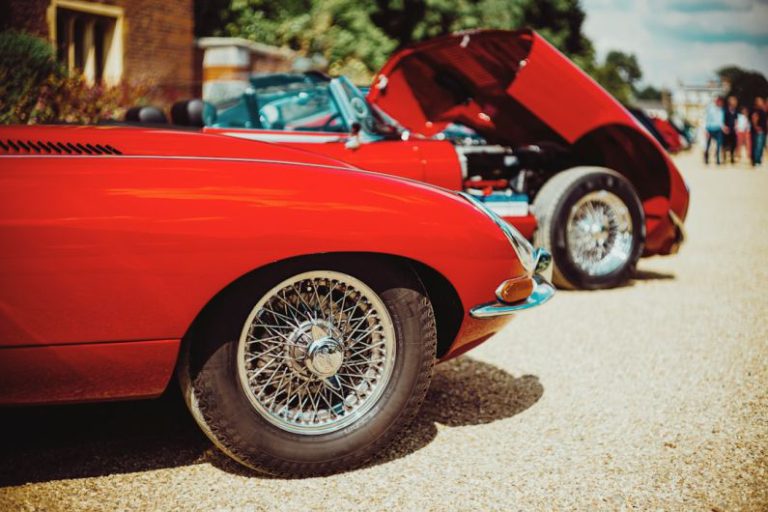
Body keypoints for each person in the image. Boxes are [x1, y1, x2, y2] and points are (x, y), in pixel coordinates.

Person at [704, 96, 724, 165]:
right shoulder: (710, 109)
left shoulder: (721, 110)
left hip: (718, 129)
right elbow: (707, 119)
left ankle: (717, 159)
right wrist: (706, 130)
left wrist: (723, 127)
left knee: (718, 145)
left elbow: (721, 121)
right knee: (708, 145)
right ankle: (706, 158)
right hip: (710, 129)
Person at [751, 97, 767, 167]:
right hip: (759, 131)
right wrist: (756, 127)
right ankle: (756, 161)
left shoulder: (763, 110)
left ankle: (758, 161)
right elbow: (754, 118)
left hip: (763, 130)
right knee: (758, 146)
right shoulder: (756, 110)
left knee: (760, 146)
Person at [722, 95, 738, 164]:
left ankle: (732, 158)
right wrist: (725, 127)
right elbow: (722, 119)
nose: (734, 102)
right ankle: (724, 158)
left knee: (733, 145)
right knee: (725, 145)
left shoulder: (735, 111)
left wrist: (736, 126)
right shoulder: (725, 110)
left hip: (733, 130)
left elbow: (736, 120)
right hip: (726, 129)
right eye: (732, 101)